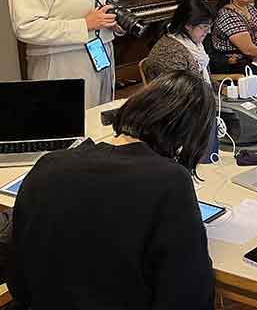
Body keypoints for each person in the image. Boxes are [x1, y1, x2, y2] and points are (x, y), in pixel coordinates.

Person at [9, 71, 216, 309]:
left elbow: (20, 283)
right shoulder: (170, 182)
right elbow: (190, 297)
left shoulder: (49, 163)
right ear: (188, 137)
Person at [145, 0, 215, 83]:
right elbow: (182, 93)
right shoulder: (171, 53)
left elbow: (207, 81)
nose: (208, 31)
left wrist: (224, 89)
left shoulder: (193, 43)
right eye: (204, 27)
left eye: (209, 26)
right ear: (188, 25)